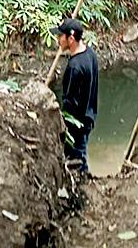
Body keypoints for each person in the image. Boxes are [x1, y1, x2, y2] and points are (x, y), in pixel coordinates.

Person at [50, 18, 98, 174]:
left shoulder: (75, 67)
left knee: (76, 159)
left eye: (60, 36)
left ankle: (82, 182)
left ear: (71, 39)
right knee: (81, 152)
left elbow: (70, 103)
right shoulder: (90, 53)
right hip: (89, 116)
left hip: (77, 124)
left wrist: (63, 126)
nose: (58, 40)